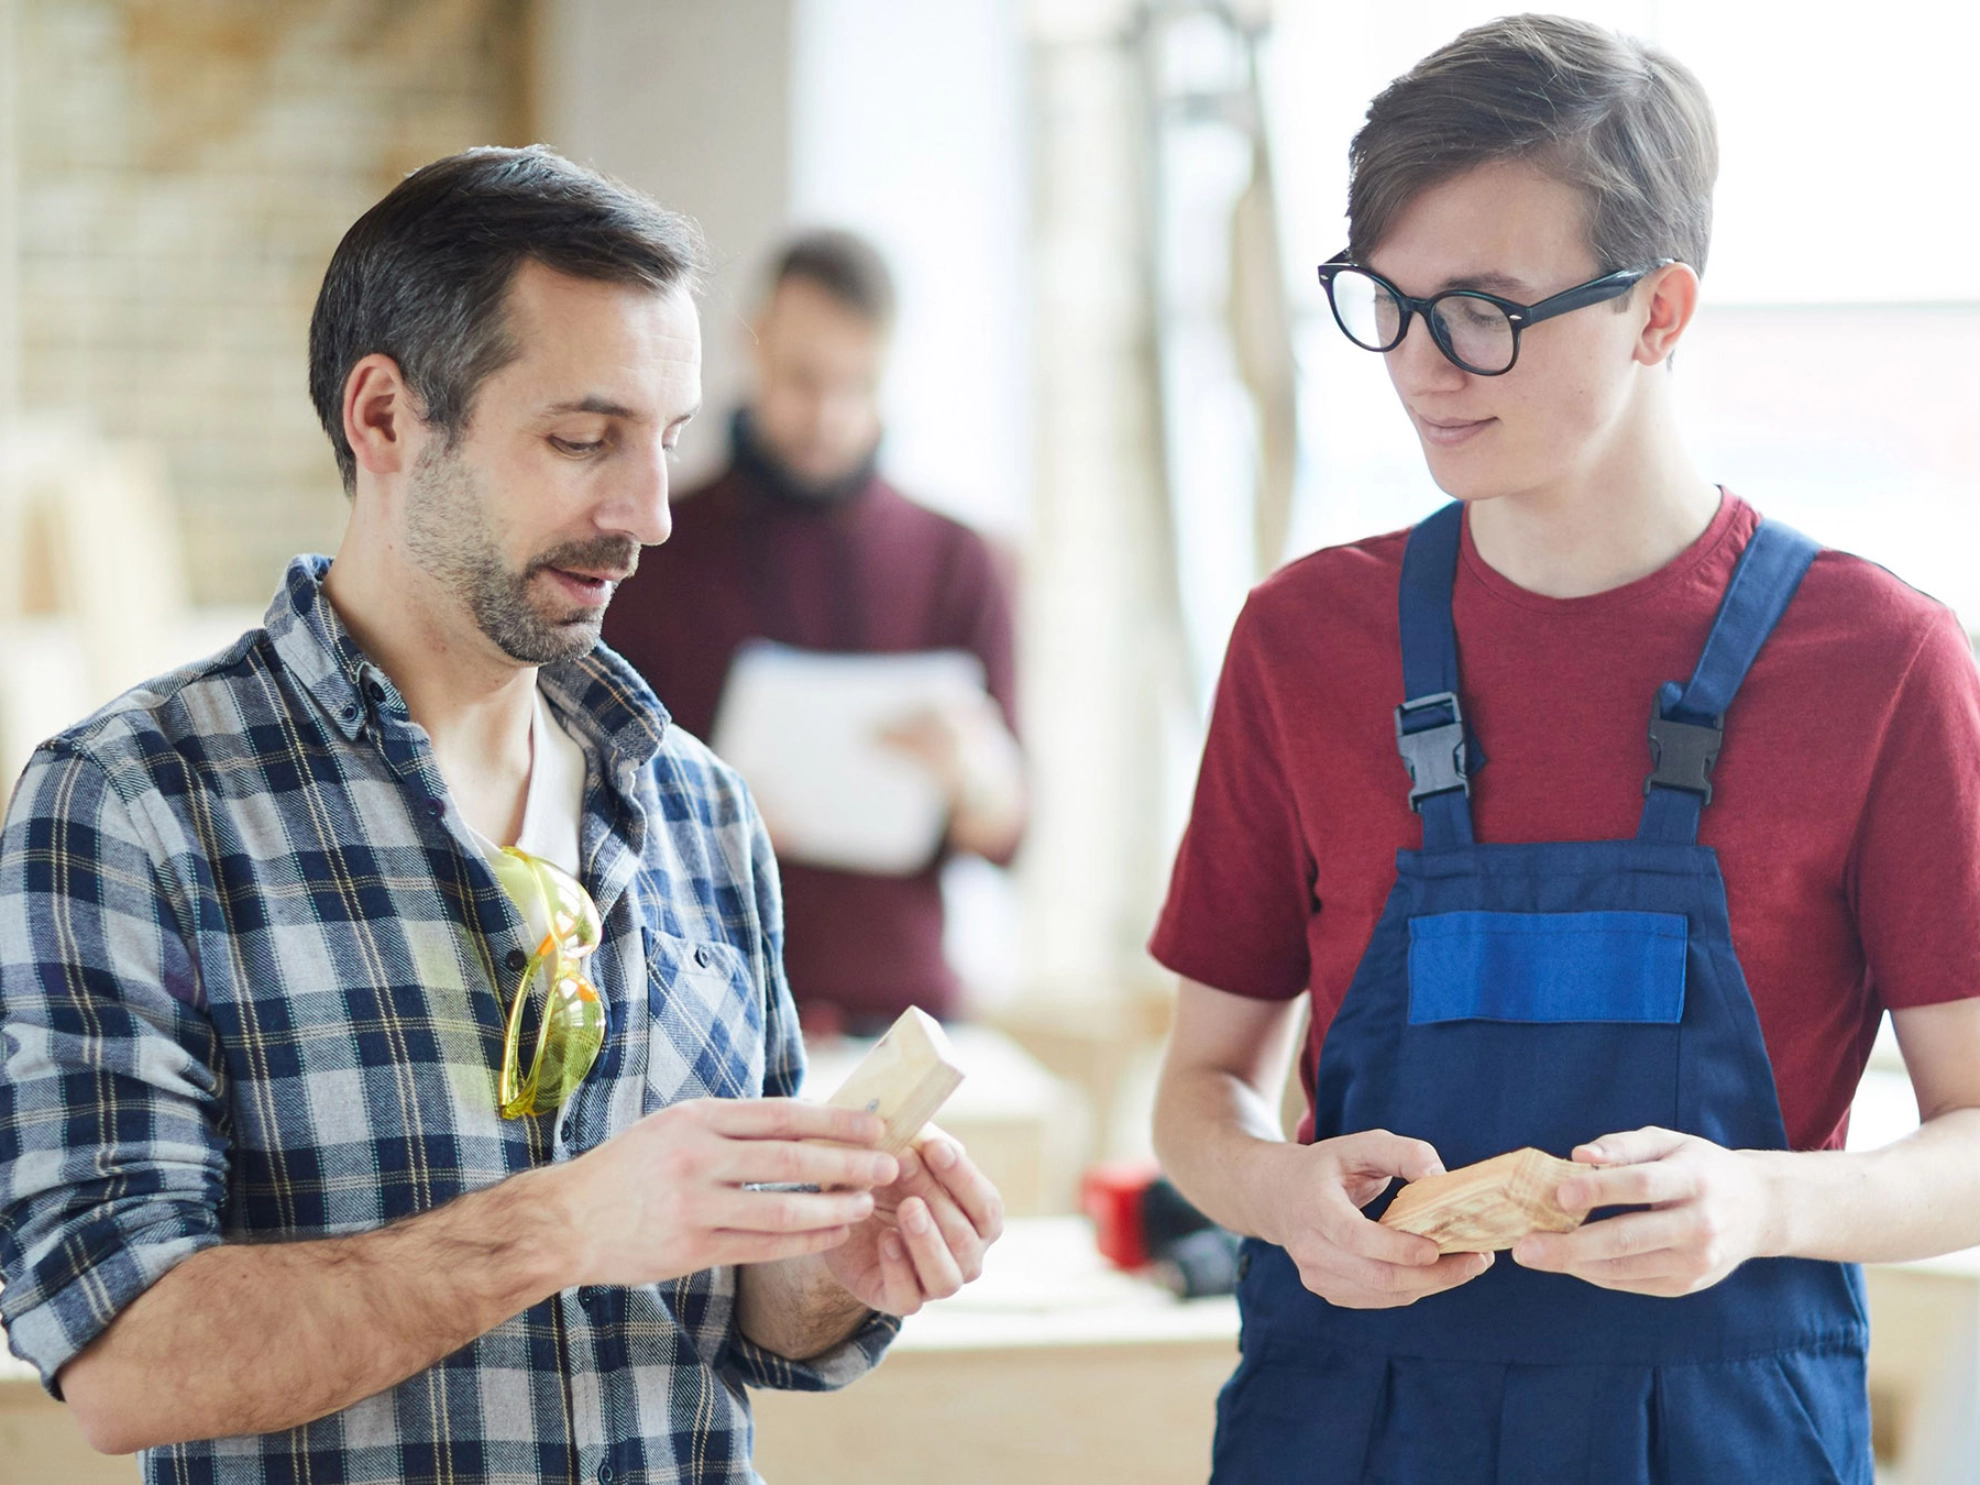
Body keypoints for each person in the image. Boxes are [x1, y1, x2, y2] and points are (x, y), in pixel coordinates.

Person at [0, 146, 1002, 1485]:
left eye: (670, 441)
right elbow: (124, 1361)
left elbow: (739, 1315)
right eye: (584, 438)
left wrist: (831, 1269)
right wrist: (566, 1225)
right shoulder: (128, 807)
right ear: (384, 420)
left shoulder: (698, 809)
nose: (645, 513)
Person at [1149, 16, 1980, 1481]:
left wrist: (1763, 1206)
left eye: (1484, 308)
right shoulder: (1301, 642)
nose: (1420, 365)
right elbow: (1200, 1086)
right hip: (1347, 1421)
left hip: (1724, 1432)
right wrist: (1281, 1192)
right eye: (1383, 302)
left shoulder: (1884, 663)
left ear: (1660, 310)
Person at [603, 230, 1025, 1036]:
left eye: (857, 384)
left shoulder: (957, 559)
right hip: (700, 1012)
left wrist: (972, 774)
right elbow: (588, 798)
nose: (829, 415)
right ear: (750, 347)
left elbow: (1009, 836)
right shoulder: (654, 545)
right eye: (803, 378)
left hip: (903, 1016)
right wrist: (705, 812)